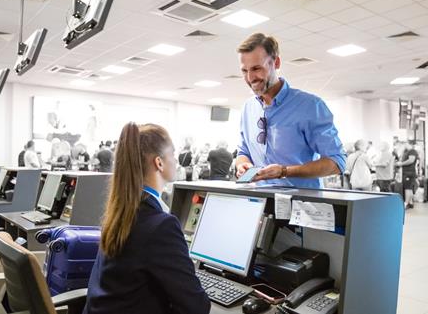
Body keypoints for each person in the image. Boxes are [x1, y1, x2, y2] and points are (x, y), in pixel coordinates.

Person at [83, 123, 210, 314]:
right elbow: (197, 307)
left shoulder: (120, 213)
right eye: (172, 154)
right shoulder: (162, 226)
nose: (175, 161)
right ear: (159, 162)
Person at [235, 33, 346, 188]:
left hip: (303, 206)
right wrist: (243, 165)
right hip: (260, 204)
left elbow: (337, 162)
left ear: (276, 62)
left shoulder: (310, 106)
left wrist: (285, 171)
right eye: (244, 71)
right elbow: (243, 152)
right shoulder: (248, 108)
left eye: (256, 68)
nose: (250, 77)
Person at [396, 140, 419, 209]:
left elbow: (411, 160)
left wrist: (401, 164)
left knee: (407, 189)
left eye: (405, 143)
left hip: (409, 173)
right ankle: (410, 202)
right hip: (406, 172)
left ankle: (405, 204)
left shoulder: (412, 151)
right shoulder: (407, 151)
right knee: (409, 188)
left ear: (408, 143)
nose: (404, 145)